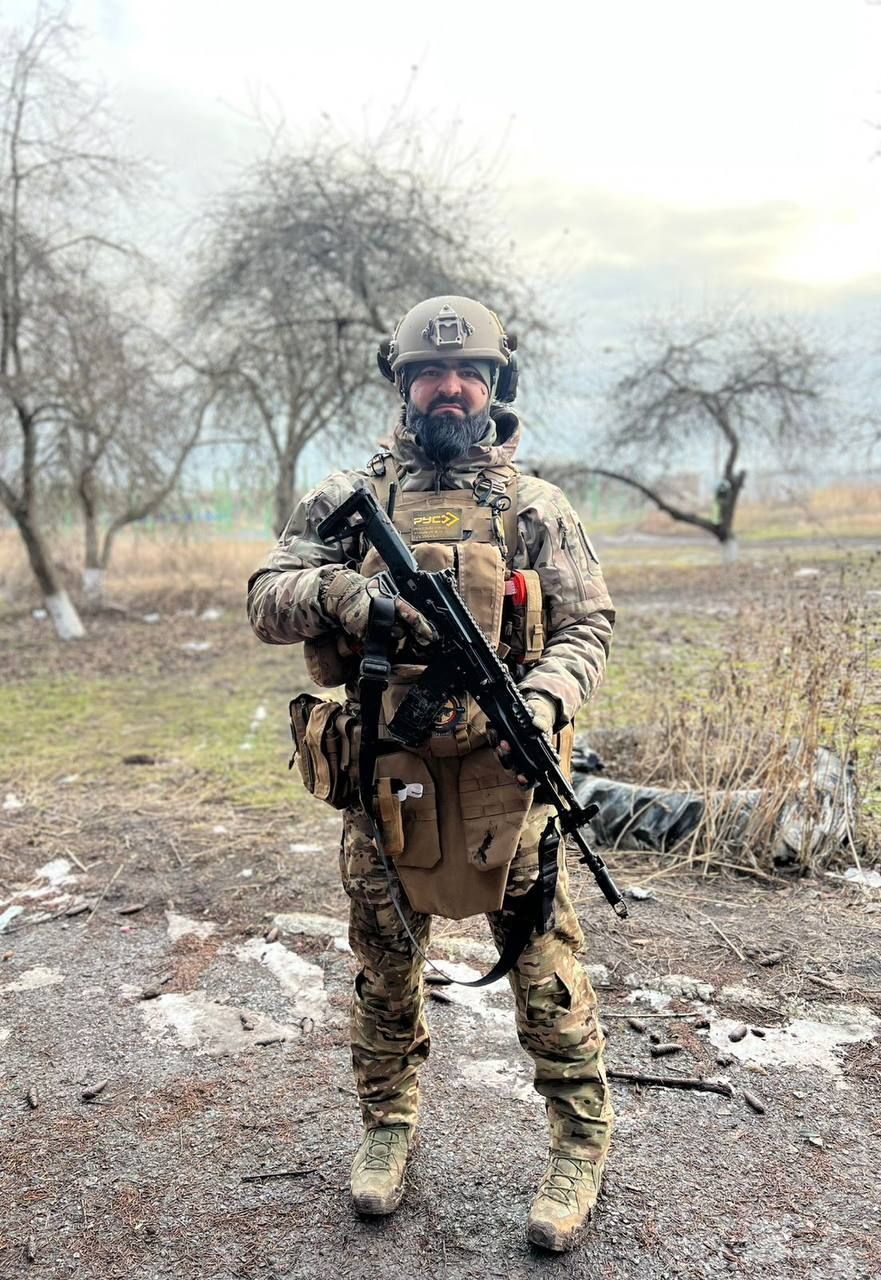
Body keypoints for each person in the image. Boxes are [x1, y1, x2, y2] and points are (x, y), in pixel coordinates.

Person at [247, 296, 616, 1253]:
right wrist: (341, 592)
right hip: (386, 781)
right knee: (384, 968)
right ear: (403, 384)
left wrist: (544, 701)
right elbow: (266, 598)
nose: (449, 388)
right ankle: (387, 1127)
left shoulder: (535, 507)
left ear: (494, 384)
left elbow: (587, 626)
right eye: (429, 374)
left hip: (505, 779)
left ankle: (579, 1143)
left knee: (543, 972)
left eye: (468, 375)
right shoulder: (347, 497)